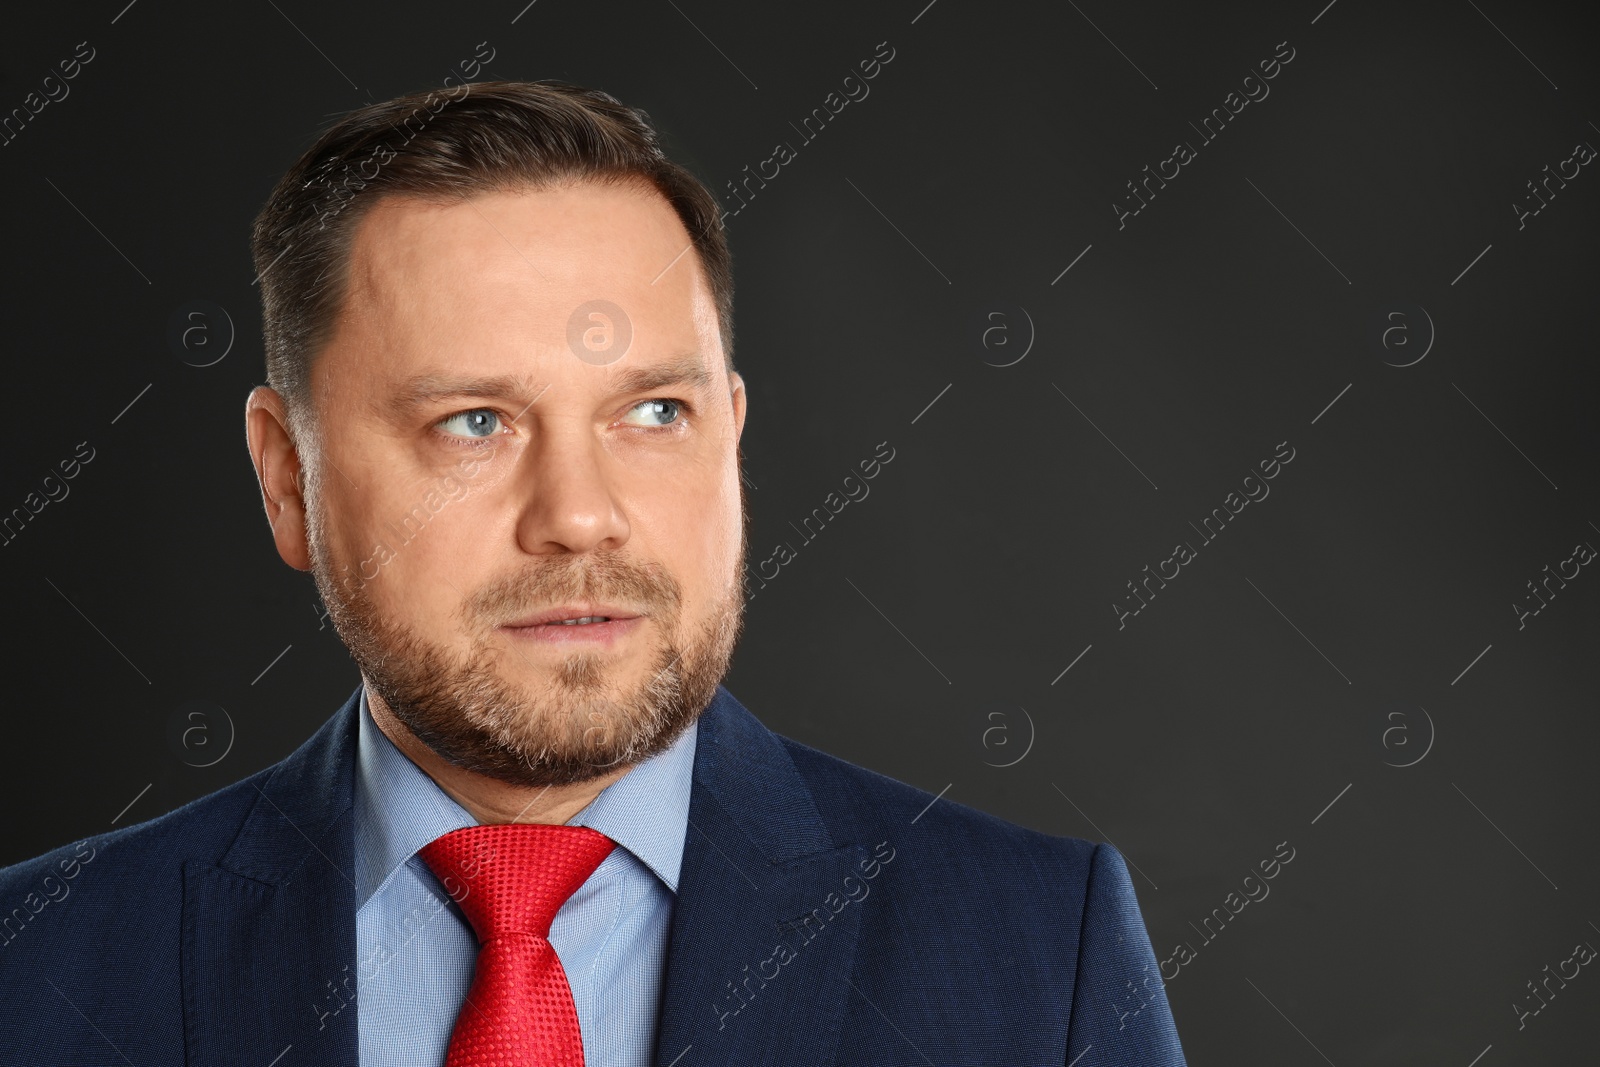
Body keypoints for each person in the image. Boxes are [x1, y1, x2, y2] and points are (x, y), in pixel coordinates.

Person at [0, 80, 1186, 1066]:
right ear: (285, 478)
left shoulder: (1037, 958)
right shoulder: (37, 970)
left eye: (653, 410)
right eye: (474, 423)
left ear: (729, 431)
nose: (579, 517)